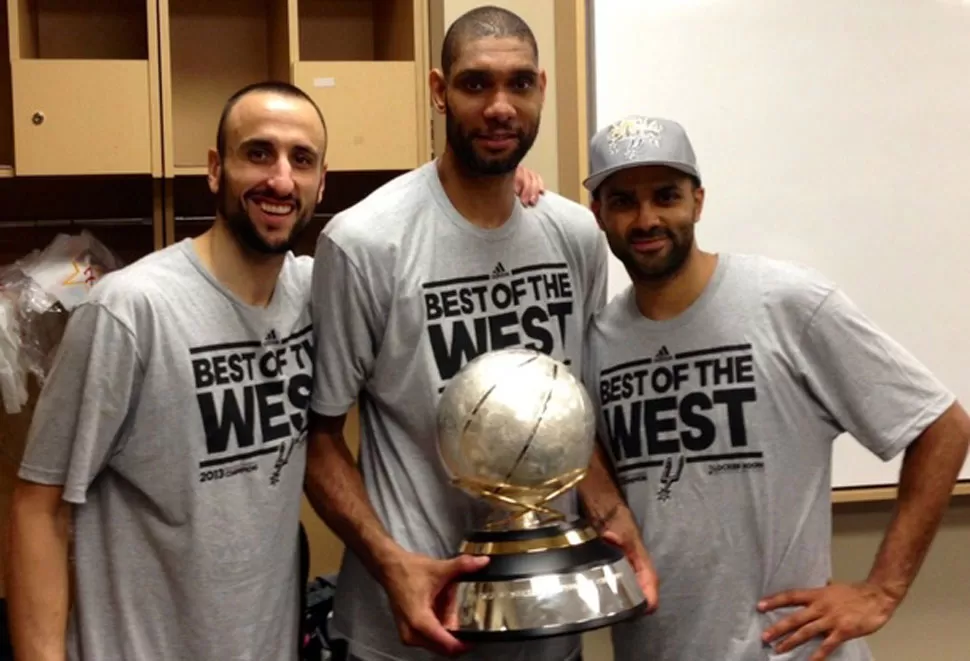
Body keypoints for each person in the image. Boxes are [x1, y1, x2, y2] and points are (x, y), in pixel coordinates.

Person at [3, 76, 544, 661]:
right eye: (258, 153)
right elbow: (39, 505)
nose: (280, 179)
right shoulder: (132, 311)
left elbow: (406, 245)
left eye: (301, 160)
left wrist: (492, 184)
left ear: (321, 182)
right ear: (216, 169)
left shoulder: (317, 292)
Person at [302, 7, 655, 661]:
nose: (499, 106)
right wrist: (390, 563)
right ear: (439, 90)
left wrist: (614, 517)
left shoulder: (576, 235)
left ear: (541, 89)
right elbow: (317, 441)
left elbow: (573, 419)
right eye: (475, 84)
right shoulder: (364, 243)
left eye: (519, 84)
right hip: (407, 635)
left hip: (547, 632)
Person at [580, 114, 970, 661]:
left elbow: (942, 426)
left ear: (698, 200)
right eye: (623, 201)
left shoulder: (787, 305)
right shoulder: (597, 343)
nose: (647, 219)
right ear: (598, 214)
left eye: (665, 196)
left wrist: (882, 590)